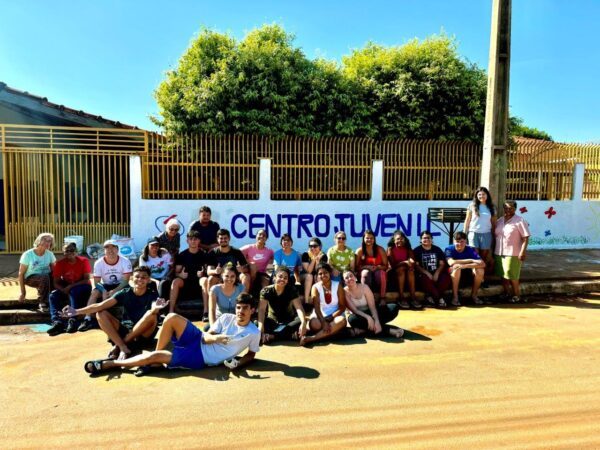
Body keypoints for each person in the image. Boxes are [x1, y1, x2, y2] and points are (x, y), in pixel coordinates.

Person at [81, 293, 260, 375]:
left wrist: (238, 364)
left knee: (154, 356)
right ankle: (156, 362)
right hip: (198, 339)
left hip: (199, 357)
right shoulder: (227, 317)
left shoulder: (254, 332)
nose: (240, 311)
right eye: (238, 307)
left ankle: (110, 364)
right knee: (171, 317)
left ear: (252, 310)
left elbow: (251, 354)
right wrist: (216, 338)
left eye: (245, 308)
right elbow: (207, 337)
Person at [63, 266, 164, 360]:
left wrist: (156, 308)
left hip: (143, 334)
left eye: (144, 277)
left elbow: (154, 308)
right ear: (132, 278)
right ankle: (123, 347)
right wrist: (76, 311)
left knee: (151, 314)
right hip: (125, 329)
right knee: (100, 313)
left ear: (149, 280)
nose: (140, 279)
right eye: (137, 276)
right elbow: (100, 306)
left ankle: (119, 345)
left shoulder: (153, 294)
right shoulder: (125, 293)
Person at [78, 240, 132, 332]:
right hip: (106, 285)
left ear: (117, 249)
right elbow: (96, 282)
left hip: (121, 285)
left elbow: (126, 281)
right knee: (94, 292)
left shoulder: (125, 261)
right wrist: (103, 290)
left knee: (129, 292)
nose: (110, 250)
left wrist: (115, 290)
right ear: (104, 250)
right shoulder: (99, 263)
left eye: (113, 247)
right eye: (107, 248)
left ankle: (127, 319)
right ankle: (87, 319)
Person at [47, 242, 92, 336]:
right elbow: (56, 282)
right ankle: (57, 322)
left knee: (73, 291)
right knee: (53, 295)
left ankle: (73, 320)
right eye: (66, 251)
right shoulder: (60, 263)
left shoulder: (84, 261)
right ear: (63, 253)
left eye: (72, 250)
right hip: (68, 287)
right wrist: (63, 289)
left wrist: (70, 287)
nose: (69, 252)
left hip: (83, 287)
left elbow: (86, 279)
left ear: (76, 251)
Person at [204, 229, 250, 319]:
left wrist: (241, 269)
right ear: (217, 239)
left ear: (229, 239)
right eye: (221, 238)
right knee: (210, 279)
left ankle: (244, 304)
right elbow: (209, 271)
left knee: (246, 276)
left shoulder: (236, 251)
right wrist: (215, 271)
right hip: (220, 277)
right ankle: (209, 310)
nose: (223, 240)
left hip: (234, 277)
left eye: (225, 238)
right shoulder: (213, 252)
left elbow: (246, 268)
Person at [343, 271, 404, 338]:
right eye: (346, 278)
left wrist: (376, 321)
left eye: (351, 276)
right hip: (360, 316)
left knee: (393, 307)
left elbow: (372, 307)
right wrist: (368, 318)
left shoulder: (365, 287)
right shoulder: (345, 292)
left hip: (372, 312)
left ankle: (362, 331)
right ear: (344, 282)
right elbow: (355, 310)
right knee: (352, 319)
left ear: (355, 278)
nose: (349, 278)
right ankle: (388, 330)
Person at [494, 200, 531, 303]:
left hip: (513, 253)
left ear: (515, 209)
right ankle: (506, 293)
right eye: (506, 208)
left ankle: (516, 295)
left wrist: (522, 252)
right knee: (503, 275)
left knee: (512, 275)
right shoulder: (500, 220)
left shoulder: (520, 221)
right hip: (499, 252)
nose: (508, 210)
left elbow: (526, 238)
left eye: (511, 208)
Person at [257, 267, 307, 344]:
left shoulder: (292, 290)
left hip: (289, 321)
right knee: (256, 322)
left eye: (285, 278)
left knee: (300, 320)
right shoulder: (266, 291)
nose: (282, 279)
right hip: (272, 321)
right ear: (274, 278)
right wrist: (260, 326)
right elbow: (261, 310)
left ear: (288, 280)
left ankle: (272, 336)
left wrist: (303, 322)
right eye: (280, 277)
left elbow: (299, 308)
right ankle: (289, 336)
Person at [301, 263, 347, 346]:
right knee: (314, 324)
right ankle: (331, 333)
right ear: (317, 276)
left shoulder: (338, 286)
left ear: (330, 273)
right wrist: (323, 322)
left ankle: (313, 338)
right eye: (320, 274)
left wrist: (331, 318)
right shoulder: (315, 287)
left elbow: (342, 307)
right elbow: (317, 308)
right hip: (320, 316)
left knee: (342, 320)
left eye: (325, 272)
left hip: (335, 316)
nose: (323, 275)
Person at [169, 230, 207, 315]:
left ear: (199, 241)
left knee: (205, 280)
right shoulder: (182, 255)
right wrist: (180, 275)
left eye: (195, 239)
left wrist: (203, 274)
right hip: (185, 284)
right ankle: (171, 311)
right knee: (175, 281)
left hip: (199, 284)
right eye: (191, 239)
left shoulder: (204, 254)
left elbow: (208, 270)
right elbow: (176, 273)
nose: (193, 241)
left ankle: (206, 312)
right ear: (187, 241)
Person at [445, 231, 486, 306]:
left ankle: (474, 295)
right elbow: (451, 262)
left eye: (462, 241)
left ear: (466, 241)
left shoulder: (470, 249)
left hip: (467, 273)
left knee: (480, 270)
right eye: (457, 241)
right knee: (457, 268)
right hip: (452, 275)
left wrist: (465, 266)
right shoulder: (449, 248)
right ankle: (455, 298)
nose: (460, 244)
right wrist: (471, 260)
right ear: (454, 241)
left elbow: (482, 264)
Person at [18, 232, 56, 312]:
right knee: (45, 277)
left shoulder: (50, 254)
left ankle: (55, 299)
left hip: (45, 278)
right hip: (30, 278)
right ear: (38, 241)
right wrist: (23, 293)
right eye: (44, 240)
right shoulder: (28, 254)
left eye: (49, 241)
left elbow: (55, 270)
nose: (47, 242)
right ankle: (43, 302)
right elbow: (21, 274)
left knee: (56, 277)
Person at [413, 231, 451, 308]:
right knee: (424, 279)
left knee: (446, 278)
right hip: (424, 275)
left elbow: (442, 264)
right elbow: (416, 266)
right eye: (424, 238)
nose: (426, 239)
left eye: (428, 238)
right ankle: (439, 298)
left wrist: (437, 273)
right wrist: (427, 273)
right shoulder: (416, 250)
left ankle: (431, 298)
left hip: (436, 274)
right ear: (421, 240)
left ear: (432, 239)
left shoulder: (437, 249)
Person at [464, 187, 497, 274]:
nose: (481, 196)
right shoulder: (472, 205)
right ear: (476, 196)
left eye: (483, 194)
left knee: (483, 257)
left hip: (486, 234)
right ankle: (475, 276)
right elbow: (467, 220)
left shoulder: (492, 207)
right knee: (476, 257)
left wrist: (494, 235)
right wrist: (464, 233)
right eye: (479, 194)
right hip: (473, 233)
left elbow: (493, 222)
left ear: (487, 195)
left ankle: (481, 276)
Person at [387, 230, 420, 309]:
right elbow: (393, 265)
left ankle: (413, 297)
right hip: (394, 272)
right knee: (401, 269)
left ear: (405, 240)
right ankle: (401, 297)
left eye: (402, 239)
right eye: (398, 239)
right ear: (394, 240)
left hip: (406, 271)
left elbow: (412, 260)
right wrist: (404, 262)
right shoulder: (390, 249)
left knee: (410, 270)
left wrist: (411, 261)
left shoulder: (408, 248)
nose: (400, 241)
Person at [355, 230, 388, 299]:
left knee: (382, 274)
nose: (369, 240)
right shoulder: (359, 251)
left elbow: (385, 266)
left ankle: (382, 298)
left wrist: (377, 267)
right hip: (365, 272)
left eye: (371, 238)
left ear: (374, 239)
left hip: (377, 271)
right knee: (365, 273)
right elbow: (356, 267)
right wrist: (366, 267)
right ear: (363, 239)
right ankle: (366, 297)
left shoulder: (380, 249)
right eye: (367, 238)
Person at [240, 228, 274, 293]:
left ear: (266, 239)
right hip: (249, 272)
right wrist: (245, 262)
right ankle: (244, 297)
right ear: (256, 236)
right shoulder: (249, 247)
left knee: (266, 283)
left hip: (262, 274)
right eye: (260, 234)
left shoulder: (270, 251)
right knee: (249, 272)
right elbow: (237, 253)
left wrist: (269, 274)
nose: (261, 236)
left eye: (264, 235)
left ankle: (262, 299)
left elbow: (271, 263)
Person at [300, 238, 328, 303]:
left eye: (315, 246)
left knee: (318, 276)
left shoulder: (323, 256)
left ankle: (320, 301)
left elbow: (318, 271)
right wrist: (314, 259)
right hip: (304, 277)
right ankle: (306, 301)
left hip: (315, 276)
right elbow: (309, 271)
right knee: (309, 276)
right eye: (311, 246)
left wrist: (317, 262)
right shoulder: (305, 255)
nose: (313, 248)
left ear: (320, 247)